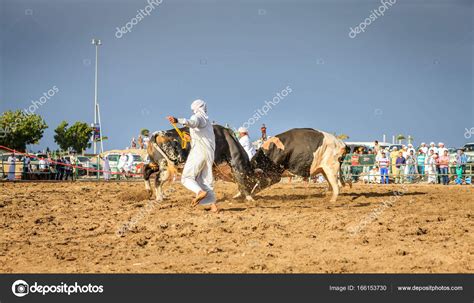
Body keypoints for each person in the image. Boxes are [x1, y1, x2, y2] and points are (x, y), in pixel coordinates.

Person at [167, 99, 218, 212]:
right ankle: (213, 206)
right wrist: (191, 138)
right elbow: (202, 136)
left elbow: (193, 122)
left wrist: (177, 120)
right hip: (209, 153)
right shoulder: (207, 120)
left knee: (186, 178)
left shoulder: (198, 116)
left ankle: (199, 192)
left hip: (199, 152)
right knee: (205, 180)